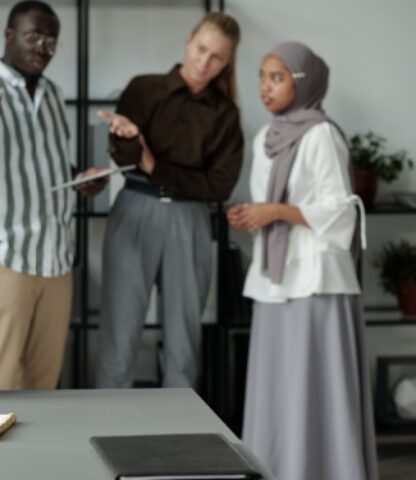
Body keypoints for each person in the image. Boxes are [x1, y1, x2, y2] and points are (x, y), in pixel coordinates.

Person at [227, 42, 377, 480]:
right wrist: (254, 214)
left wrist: (274, 212)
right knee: (281, 388)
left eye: (277, 77)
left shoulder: (321, 134)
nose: (265, 87)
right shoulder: (266, 137)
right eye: (261, 76)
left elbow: (340, 210)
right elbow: (272, 202)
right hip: (276, 281)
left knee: (317, 388)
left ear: (303, 82)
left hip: (316, 281)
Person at [0, 1, 107, 390]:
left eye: (51, 41)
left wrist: (79, 180)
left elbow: (48, 166)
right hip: (8, 256)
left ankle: (35, 455)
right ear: (9, 35)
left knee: (44, 384)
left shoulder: (53, 94)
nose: (43, 48)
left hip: (56, 260)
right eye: (33, 37)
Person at [95, 13, 243, 389]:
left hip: (190, 220)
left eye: (217, 58)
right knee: (119, 338)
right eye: (201, 49)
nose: (204, 62)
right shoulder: (143, 90)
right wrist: (129, 140)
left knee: (184, 342)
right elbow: (122, 157)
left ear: (227, 63)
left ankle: (180, 442)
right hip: (134, 210)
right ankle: (106, 433)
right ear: (188, 41)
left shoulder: (226, 114)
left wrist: (153, 164)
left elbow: (218, 187)